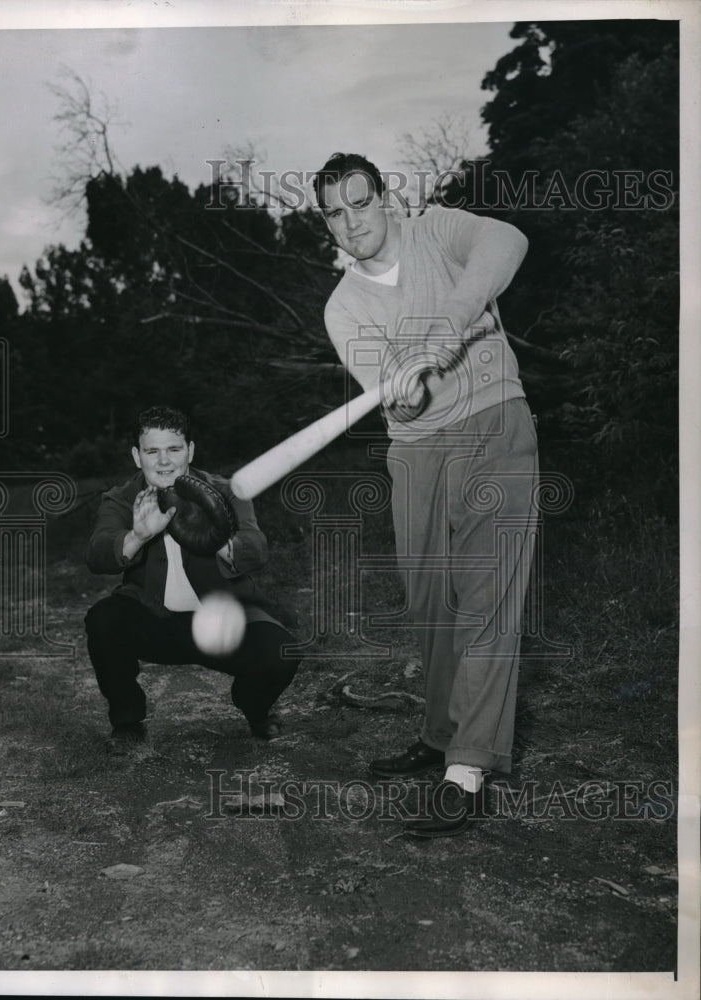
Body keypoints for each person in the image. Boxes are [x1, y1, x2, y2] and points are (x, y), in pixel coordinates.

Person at [312, 152, 538, 837]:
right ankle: (441, 734)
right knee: (429, 601)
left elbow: (509, 241)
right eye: (336, 214)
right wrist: (405, 392)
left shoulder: (437, 229)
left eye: (361, 203)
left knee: (486, 594)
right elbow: (399, 401)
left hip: (495, 420)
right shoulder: (343, 306)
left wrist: (447, 327)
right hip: (415, 451)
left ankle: (466, 769)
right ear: (327, 226)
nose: (352, 222)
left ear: (386, 200)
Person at [85, 405, 299, 754]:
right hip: (155, 620)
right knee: (103, 619)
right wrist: (138, 536)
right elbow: (96, 554)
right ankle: (126, 723)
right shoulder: (123, 498)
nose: (164, 461)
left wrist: (215, 535)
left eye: (174, 449)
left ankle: (255, 708)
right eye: (153, 451)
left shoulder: (227, 491)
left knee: (281, 651)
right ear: (137, 457)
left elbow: (257, 549)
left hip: (222, 621)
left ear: (191, 450)